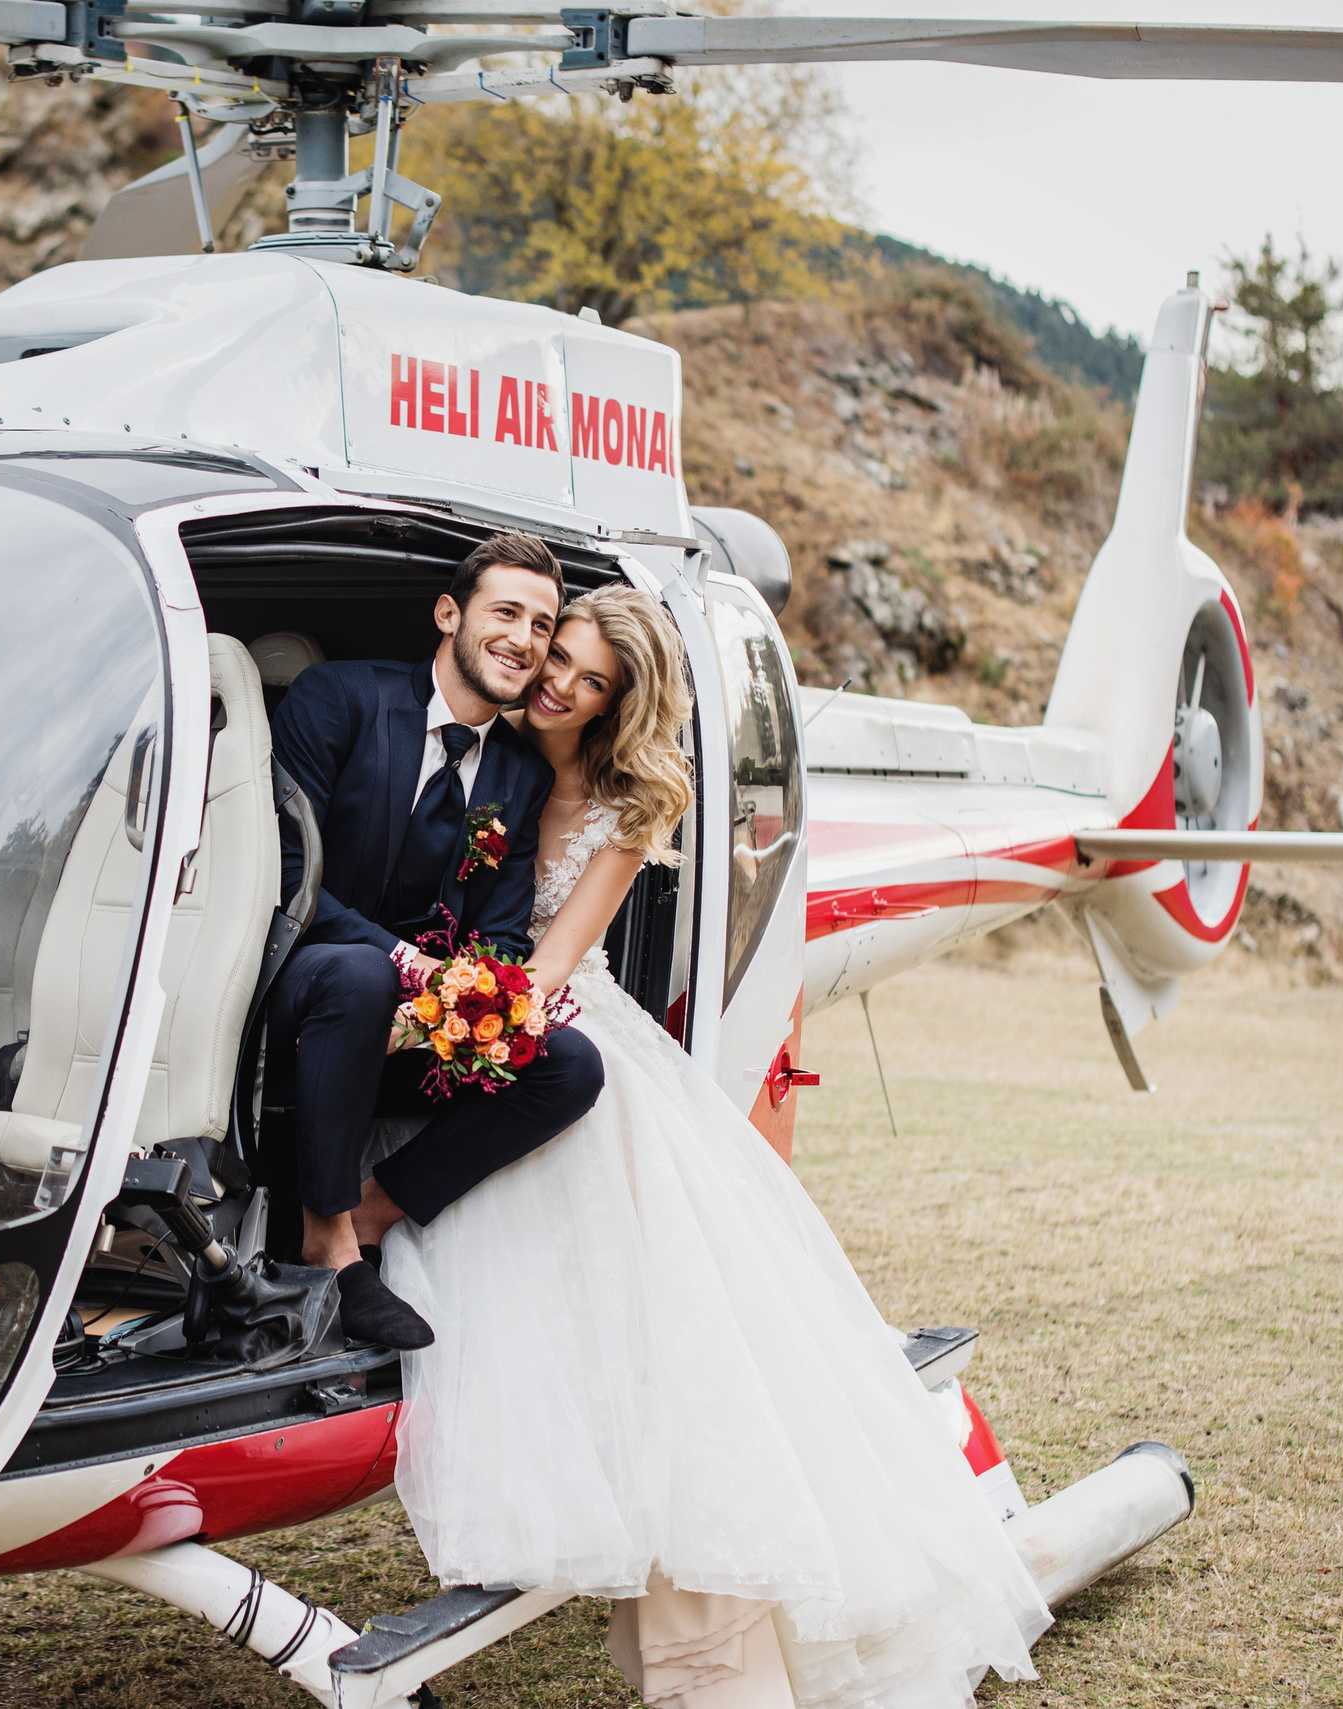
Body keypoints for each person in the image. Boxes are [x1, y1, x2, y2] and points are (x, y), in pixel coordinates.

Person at [382, 586, 1051, 1709]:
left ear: (617, 702)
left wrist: (461, 1029)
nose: (561, 686)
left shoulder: (625, 802)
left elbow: (552, 966)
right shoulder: (487, 759)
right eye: (561, 661)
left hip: (565, 1036)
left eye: (592, 682)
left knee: (664, 1355)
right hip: (497, 1023)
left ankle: (714, 1646)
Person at [265, 532, 606, 1350]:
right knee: (356, 973)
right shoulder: (336, 698)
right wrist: (402, 962)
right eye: (507, 612)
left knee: (570, 1064)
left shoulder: (520, 777)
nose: (524, 639)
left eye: (541, 624)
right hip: (304, 996)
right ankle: (328, 1243)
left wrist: (468, 996)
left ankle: (376, 1209)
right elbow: (283, 877)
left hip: (417, 1023)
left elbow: (496, 927)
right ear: (450, 613)